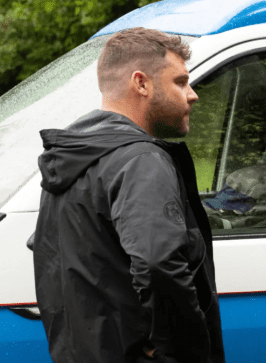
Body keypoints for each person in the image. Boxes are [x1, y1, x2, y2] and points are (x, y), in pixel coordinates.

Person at [33, 27, 225, 363]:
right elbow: (157, 262)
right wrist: (186, 352)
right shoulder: (140, 159)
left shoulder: (70, 161)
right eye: (180, 82)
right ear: (141, 83)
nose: (192, 95)